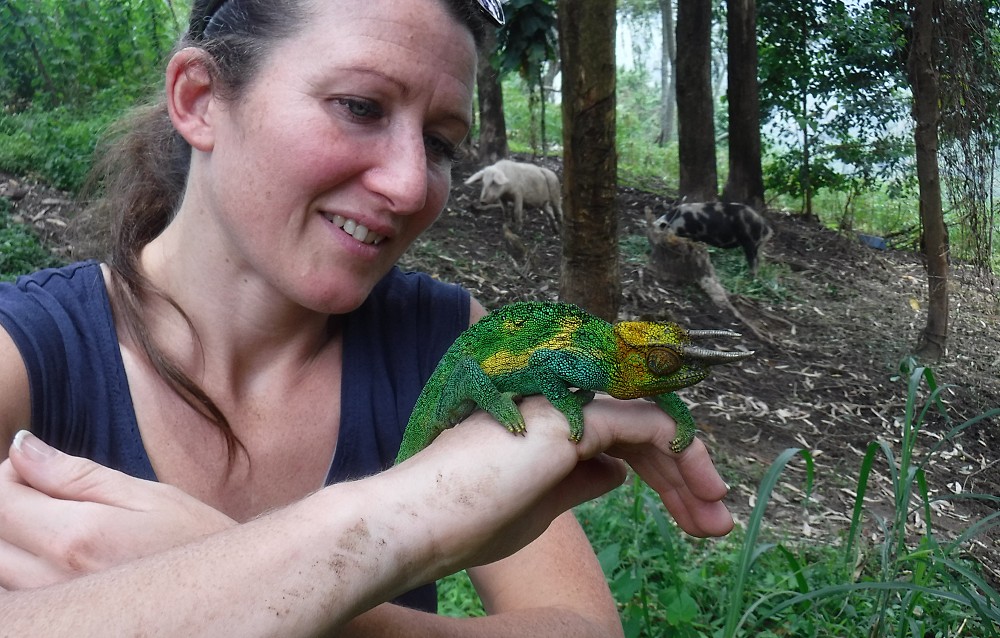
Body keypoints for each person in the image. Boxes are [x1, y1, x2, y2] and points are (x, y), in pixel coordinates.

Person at [0, 0, 734, 635]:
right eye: (360, 106)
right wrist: (376, 530)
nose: (411, 184)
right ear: (198, 99)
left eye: (442, 143)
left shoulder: (443, 340)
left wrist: (271, 589)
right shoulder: (29, 353)